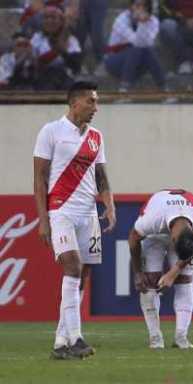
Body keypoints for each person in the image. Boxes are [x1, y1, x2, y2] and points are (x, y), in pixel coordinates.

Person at [33, 81, 116, 360]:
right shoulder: (51, 131)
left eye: (96, 102)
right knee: (72, 266)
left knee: (83, 276)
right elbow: (40, 178)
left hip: (88, 213)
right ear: (75, 102)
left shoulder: (96, 137)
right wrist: (43, 219)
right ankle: (77, 338)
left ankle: (60, 341)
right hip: (61, 210)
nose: (96, 108)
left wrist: (109, 203)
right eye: (91, 102)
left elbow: (101, 174)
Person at [127, 189, 193, 349]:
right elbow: (133, 238)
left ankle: (181, 337)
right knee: (149, 282)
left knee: (185, 279)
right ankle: (155, 338)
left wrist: (174, 272)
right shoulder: (152, 220)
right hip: (154, 235)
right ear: (173, 239)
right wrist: (138, 273)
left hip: (181, 229)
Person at [104, 0, 166, 92]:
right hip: (115, 61)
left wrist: (143, 23)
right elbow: (137, 42)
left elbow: (148, 43)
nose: (140, 9)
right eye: (137, 5)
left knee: (147, 51)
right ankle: (124, 88)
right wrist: (142, 22)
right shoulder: (121, 19)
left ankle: (163, 88)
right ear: (131, 6)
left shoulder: (153, 21)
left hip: (139, 64)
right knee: (136, 49)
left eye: (144, 6)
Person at [31, 3, 82, 90]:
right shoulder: (37, 38)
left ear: (61, 21)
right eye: (46, 18)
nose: (49, 21)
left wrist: (63, 52)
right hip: (42, 79)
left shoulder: (71, 40)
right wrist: (55, 51)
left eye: (53, 18)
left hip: (64, 79)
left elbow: (75, 67)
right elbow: (32, 64)